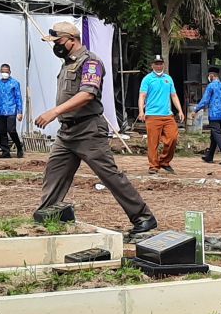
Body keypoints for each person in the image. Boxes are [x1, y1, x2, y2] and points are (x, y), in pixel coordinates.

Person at [36, 22, 156, 234]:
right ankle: (48, 214)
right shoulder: (67, 63)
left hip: (88, 130)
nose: (55, 46)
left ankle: (143, 217)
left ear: (71, 40)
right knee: (54, 173)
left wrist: (53, 112)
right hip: (67, 132)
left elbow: (87, 94)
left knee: (110, 175)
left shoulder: (91, 62)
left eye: (58, 41)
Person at [137, 54, 184, 175]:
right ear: (152, 65)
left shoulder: (168, 78)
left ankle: (164, 161)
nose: (158, 66)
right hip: (152, 115)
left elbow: (173, 95)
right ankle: (153, 166)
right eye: (156, 64)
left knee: (173, 137)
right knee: (153, 142)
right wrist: (141, 111)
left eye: (160, 63)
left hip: (167, 115)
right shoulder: (147, 79)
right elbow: (142, 95)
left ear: (163, 64)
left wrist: (180, 110)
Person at [193, 66, 221, 165]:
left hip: (213, 115)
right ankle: (209, 156)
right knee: (214, 136)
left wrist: (196, 109)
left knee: (217, 135)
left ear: (212, 75)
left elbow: (205, 101)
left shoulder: (211, 86)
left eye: (209, 75)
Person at [0, 63, 24, 158]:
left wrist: (20, 112)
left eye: (6, 71)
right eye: (3, 71)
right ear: (0, 72)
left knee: (11, 130)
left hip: (11, 110)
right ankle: (5, 152)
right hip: (0, 111)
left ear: (10, 72)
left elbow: (18, 97)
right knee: (2, 131)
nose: (4, 73)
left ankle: (19, 147)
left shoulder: (15, 83)